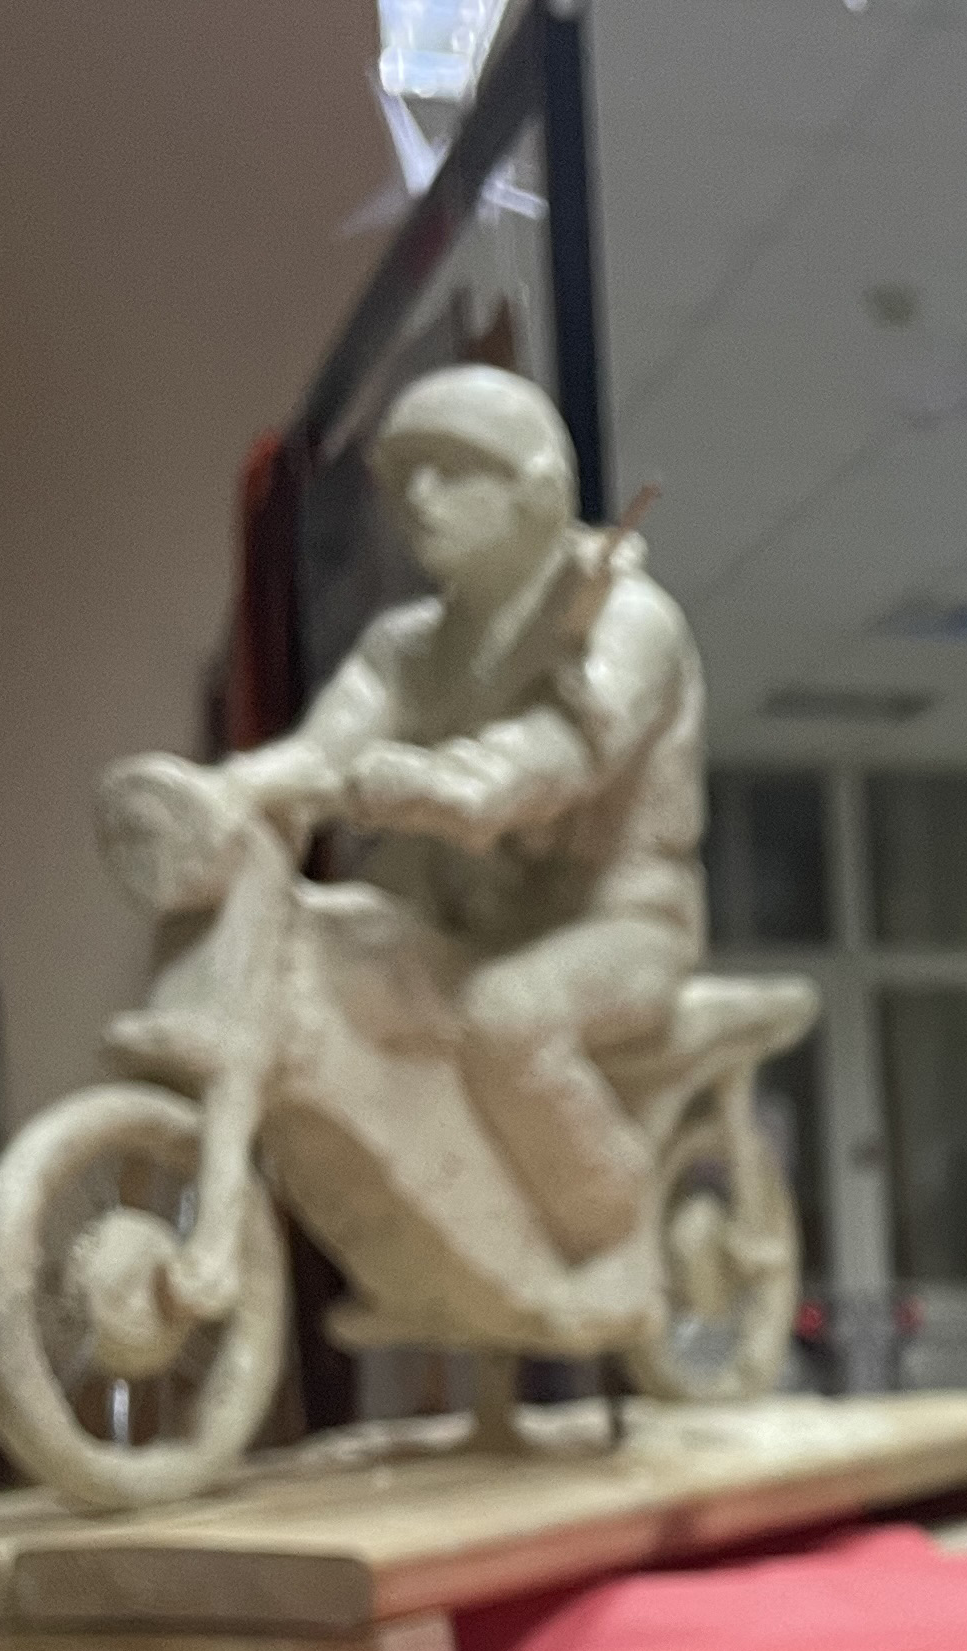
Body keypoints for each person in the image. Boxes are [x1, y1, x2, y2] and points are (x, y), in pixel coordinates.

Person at [214, 364, 704, 1261]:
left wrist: (451, 785)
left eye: (455, 469)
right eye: (407, 476)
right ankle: (437, 1233)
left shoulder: (627, 620)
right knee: (327, 948)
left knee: (508, 1016)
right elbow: (323, 748)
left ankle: (605, 1231)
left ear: (536, 488)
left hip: (619, 920)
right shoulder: (406, 647)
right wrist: (225, 792)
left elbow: (559, 755)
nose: (421, 497)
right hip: (471, 918)